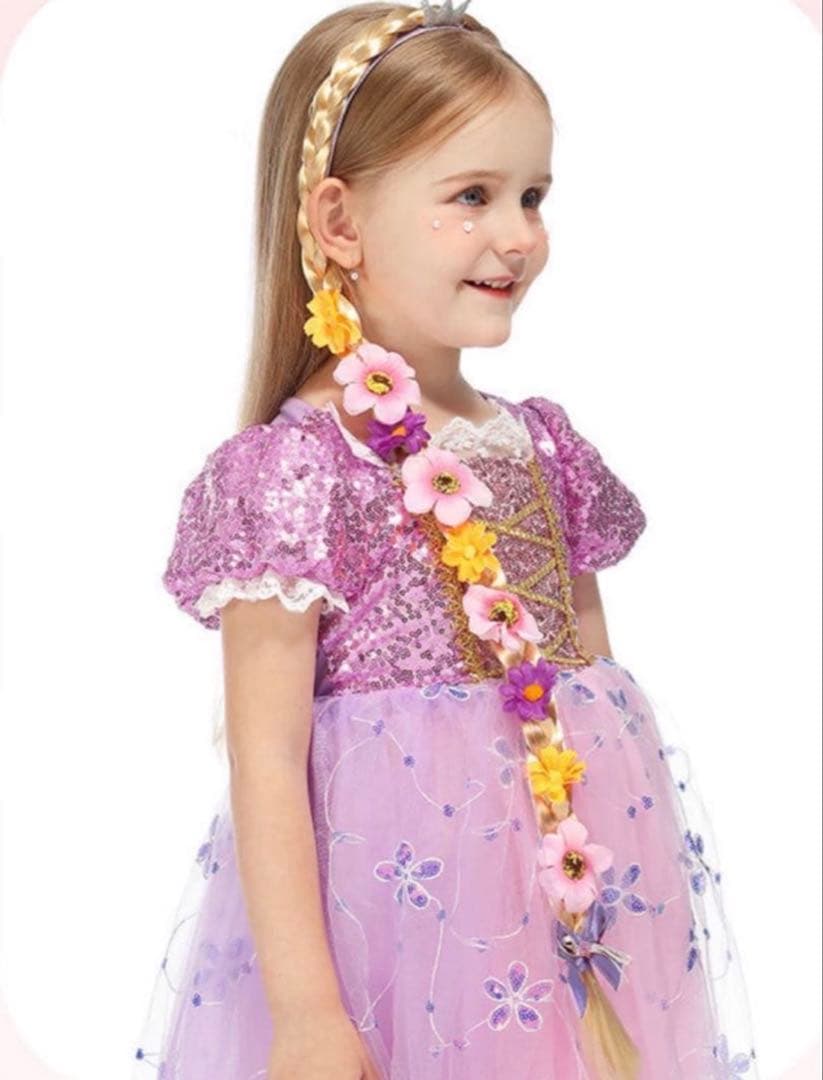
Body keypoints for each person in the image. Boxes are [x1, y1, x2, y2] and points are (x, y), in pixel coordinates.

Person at [132, 2, 759, 1077]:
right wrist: (307, 1013)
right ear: (339, 224)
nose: (517, 235)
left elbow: (591, 691)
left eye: (532, 196)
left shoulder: (542, 448)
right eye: (471, 196)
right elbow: (267, 760)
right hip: (394, 931)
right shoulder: (297, 471)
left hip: (565, 924)